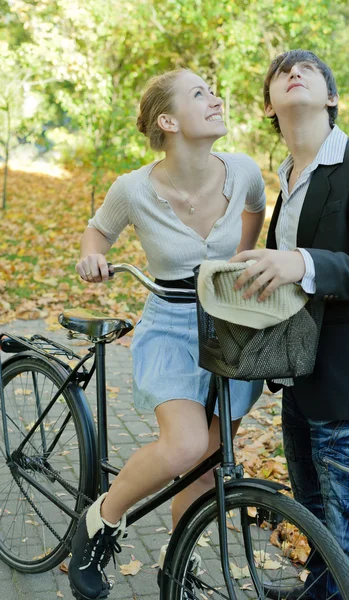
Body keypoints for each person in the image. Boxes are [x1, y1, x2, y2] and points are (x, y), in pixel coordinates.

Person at [68, 68, 266, 600]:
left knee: (204, 470)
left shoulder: (244, 171)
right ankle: (100, 522)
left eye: (213, 90)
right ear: (168, 120)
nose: (216, 98)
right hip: (171, 326)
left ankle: (176, 564)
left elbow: (255, 214)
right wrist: (93, 255)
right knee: (183, 445)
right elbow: (99, 231)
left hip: (231, 328)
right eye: (200, 93)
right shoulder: (132, 188)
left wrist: (244, 263)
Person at [231, 49, 349, 600]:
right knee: (316, 521)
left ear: (330, 97)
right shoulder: (288, 177)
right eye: (280, 73)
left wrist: (300, 262)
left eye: (307, 70)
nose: (292, 72)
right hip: (302, 376)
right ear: (270, 106)